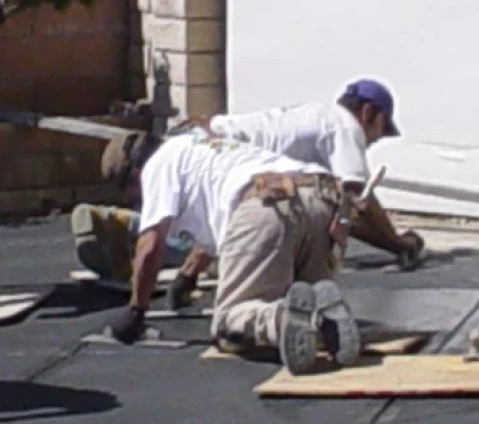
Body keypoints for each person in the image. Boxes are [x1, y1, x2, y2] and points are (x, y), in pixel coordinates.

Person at [70, 77, 423, 299]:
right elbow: (357, 201)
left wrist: (188, 277)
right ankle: (128, 232)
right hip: (219, 153)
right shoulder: (344, 127)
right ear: (367, 112)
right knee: (201, 233)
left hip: (207, 138)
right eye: (380, 128)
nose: (376, 139)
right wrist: (398, 243)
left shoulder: (317, 117)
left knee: (203, 219)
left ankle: (130, 236)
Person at [106, 133, 364, 374]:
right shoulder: (199, 147)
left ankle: (280, 317)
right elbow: (213, 234)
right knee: (304, 298)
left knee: (230, 322)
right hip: (324, 200)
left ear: (134, 174)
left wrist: (136, 310)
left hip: (267, 204)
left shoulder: (157, 166)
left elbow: (150, 245)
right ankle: (326, 317)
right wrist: (187, 276)